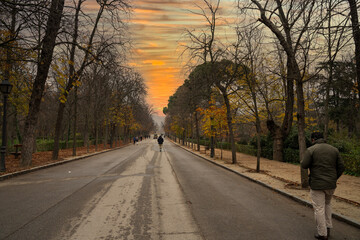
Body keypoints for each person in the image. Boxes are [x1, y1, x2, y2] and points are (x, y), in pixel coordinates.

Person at [301, 132, 345, 240]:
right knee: (328, 205)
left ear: (313, 139)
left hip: (317, 184)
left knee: (319, 208)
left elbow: (304, 164)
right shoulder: (334, 149)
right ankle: (328, 227)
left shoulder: (312, 149)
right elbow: (341, 167)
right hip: (331, 184)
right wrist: (334, 178)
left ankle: (322, 233)